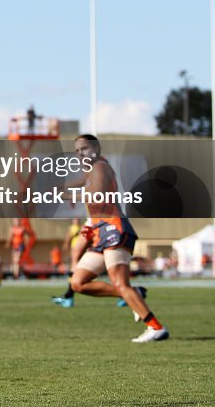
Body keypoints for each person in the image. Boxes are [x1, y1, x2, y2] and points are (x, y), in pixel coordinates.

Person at [67, 135, 169, 342]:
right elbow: (81, 185)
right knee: (78, 283)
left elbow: (97, 193)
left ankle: (156, 327)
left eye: (84, 149)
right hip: (100, 233)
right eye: (77, 151)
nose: (80, 154)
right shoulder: (90, 171)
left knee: (120, 282)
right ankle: (135, 294)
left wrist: (68, 195)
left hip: (114, 228)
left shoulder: (100, 166)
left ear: (96, 149)